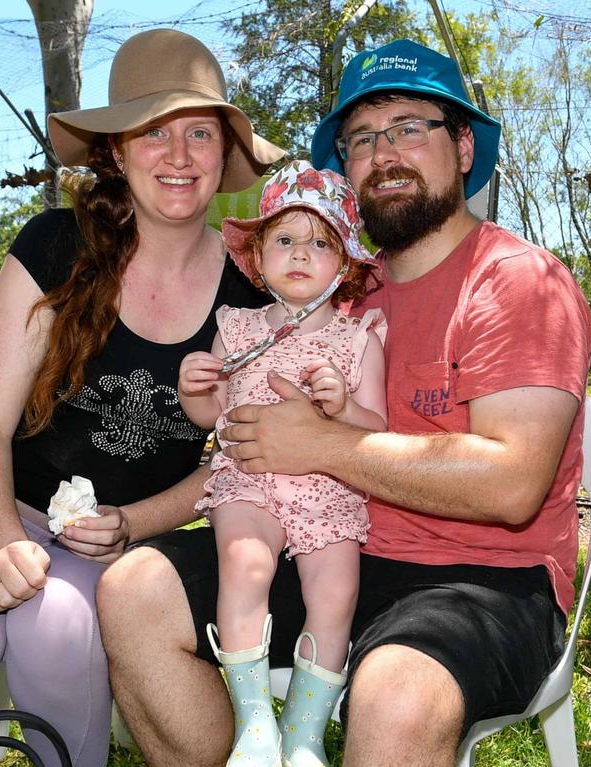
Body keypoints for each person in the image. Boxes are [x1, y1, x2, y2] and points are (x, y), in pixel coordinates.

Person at [97, 37, 591, 767]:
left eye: (407, 128)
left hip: (481, 579)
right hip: (327, 542)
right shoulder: (335, 293)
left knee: (393, 695)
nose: (382, 152)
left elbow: (511, 485)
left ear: (462, 147)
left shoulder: (517, 283)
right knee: (132, 590)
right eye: (361, 138)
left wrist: (324, 444)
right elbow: (248, 442)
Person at [0, 28, 284, 767]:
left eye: (198, 134)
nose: (178, 156)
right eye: (153, 133)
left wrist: (129, 523)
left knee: (58, 627)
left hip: (117, 544)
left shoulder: (253, 293)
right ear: (116, 150)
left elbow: (243, 463)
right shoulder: (56, 245)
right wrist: (4, 542)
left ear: (222, 153)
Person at [178, 159, 386, 767]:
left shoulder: (356, 340)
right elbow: (211, 414)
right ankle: (254, 725)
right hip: (248, 481)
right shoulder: (237, 329)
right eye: (285, 240)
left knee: (337, 592)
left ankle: (302, 730)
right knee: (243, 564)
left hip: (329, 490)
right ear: (260, 257)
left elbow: (379, 429)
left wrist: (343, 407)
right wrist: (196, 388)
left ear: (344, 264)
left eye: (321, 242)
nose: (301, 253)